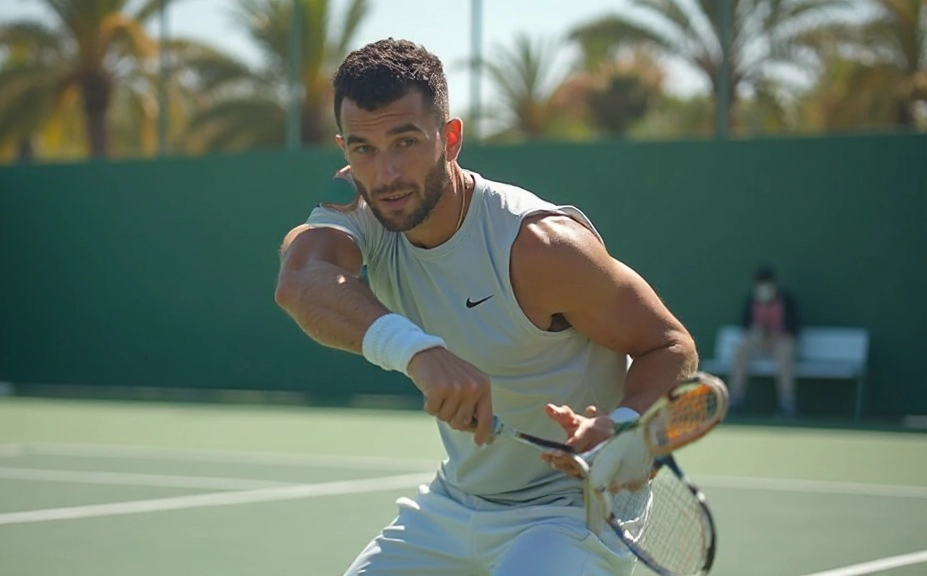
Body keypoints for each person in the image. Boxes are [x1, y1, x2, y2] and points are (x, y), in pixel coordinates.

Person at [274, 38, 699, 576]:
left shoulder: (539, 248)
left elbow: (669, 345)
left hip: (573, 508)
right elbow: (300, 282)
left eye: (405, 142)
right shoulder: (363, 212)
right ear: (345, 151)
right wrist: (419, 354)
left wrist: (623, 425)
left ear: (449, 138)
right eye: (363, 149)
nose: (386, 174)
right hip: (454, 502)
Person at [728, 264, 800, 418]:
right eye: (760, 284)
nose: (764, 288)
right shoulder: (751, 301)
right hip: (758, 344)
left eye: (767, 283)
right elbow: (745, 328)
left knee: (785, 350)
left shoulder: (787, 300)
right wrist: (756, 333)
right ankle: (735, 399)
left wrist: (776, 334)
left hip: (780, 344)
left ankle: (787, 402)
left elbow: (794, 330)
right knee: (741, 349)